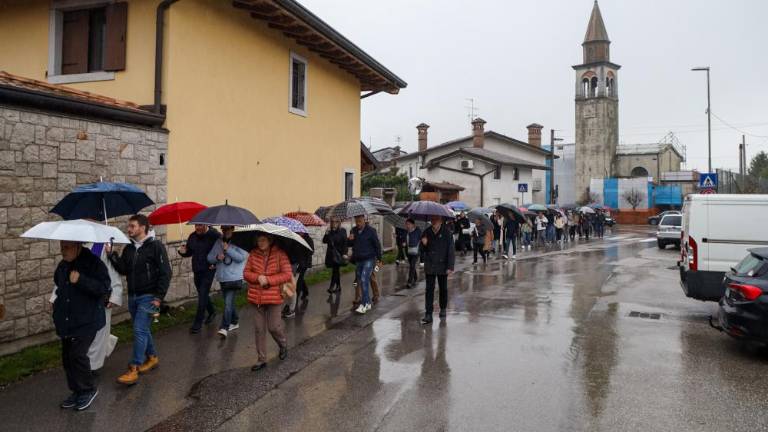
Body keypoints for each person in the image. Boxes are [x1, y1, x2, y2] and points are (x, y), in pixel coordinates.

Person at [107, 214, 172, 386]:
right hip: (133, 296)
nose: (128, 229)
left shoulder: (156, 246)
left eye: (132, 226)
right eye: (129, 226)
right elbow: (123, 269)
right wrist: (112, 255)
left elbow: (166, 272)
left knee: (138, 330)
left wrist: (159, 297)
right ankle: (152, 357)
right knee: (143, 330)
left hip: (149, 297)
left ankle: (134, 367)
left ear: (143, 227)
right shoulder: (129, 248)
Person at [54, 240, 111, 411]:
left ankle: (88, 389)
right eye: (61, 247)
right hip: (67, 319)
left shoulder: (94, 263)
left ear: (78, 246)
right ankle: (77, 390)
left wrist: (81, 280)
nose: (63, 251)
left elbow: (103, 288)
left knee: (78, 355)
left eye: (67, 247)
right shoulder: (63, 265)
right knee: (67, 357)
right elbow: (59, 283)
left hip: (88, 318)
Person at [244, 233, 291, 371]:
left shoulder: (280, 254)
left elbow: (287, 274)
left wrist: (269, 280)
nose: (260, 242)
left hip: (274, 297)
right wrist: (258, 277)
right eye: (258, 240)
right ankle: (261, 359)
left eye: (263, 240)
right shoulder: (253, 253)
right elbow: (246, 273)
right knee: (259, 329)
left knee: (274, 327)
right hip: (256, 297)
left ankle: (283, 344)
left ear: (270, 240)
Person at [207, 225, 248, 338]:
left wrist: (228, 249)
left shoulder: (240, 241)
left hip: (234, 277)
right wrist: (217, 257)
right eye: (223, 229)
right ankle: (234, 321)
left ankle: (224, 327)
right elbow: (209, 258)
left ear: (232, 228)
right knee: (228, 302)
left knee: (227, 303)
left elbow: (241, 257)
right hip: (222, 277)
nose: (225, 231)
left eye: (227, 229)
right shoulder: (218, 242)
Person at [178, 224, 220, 334]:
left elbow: (220, 250)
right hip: (197, 269)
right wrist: (182, 251)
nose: (197, 228)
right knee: (203, 293)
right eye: (196, 225)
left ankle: (197, 323)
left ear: (205, 225)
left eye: (200, 225)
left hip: (209, 270)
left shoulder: (214, 235)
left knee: (202, 295)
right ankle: (212, 312)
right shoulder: (192, 236)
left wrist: (216, 262)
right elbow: (189, 252)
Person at [420, 216, 455, 324]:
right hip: (430, 264)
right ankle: (428, 314)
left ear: (440, 221)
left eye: (436, 220)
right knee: (429, 290)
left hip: (442, 265)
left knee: (443, 288)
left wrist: (450, 267)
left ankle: (443, 308)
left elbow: (451, 251)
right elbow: (421, 250)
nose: (434, 222)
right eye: (432, 220)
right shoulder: (426, 232)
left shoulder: (447, 233)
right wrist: (423, 244)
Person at [348, 215, 382, 315]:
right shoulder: (353, 230)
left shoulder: (371, 231)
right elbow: (350, 244)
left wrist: (379, 259)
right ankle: (366, 302)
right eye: (356, 221)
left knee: (364, 279)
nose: (358, 223)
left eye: (360, 221)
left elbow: (377, 245)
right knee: (359, 281)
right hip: (358, 259)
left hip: (369, 259)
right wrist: (350, 240)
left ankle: (365, 303)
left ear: (364, 220)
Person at [288, 232, 314, 316]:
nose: (299, 233)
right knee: (300, 279)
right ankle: (305, 291)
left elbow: (311, 251)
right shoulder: (294, 238)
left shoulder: (308, 239)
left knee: (298, 282)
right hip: (296, 264)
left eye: (300, 232)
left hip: (303, 264)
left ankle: (295, 303)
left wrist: (303, 245)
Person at [322, 218, 347, 294]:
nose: (334, 223)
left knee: (335, 270)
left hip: (339, 254)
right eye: (332, 222)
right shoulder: (330, 232)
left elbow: (345, 243)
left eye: (336, 222)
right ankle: (338, 286)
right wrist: (326, 233)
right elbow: (324, 241)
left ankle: (331, 286)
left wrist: (344, 253)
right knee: (336, 270)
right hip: (331, 254)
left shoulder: (343, 231)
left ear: (339, 223)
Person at [405, 218, 422, 288]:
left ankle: (409, 282)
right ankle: (415, 277)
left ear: (413, 224)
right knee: (412, 266)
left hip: (416, 251)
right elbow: (406, 240)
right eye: (406, 224)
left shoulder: (418, 231)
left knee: (412, 266)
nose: (407, 226)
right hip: (409, 251)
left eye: (408, 224)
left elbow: (421, 239)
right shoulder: (406, 232)